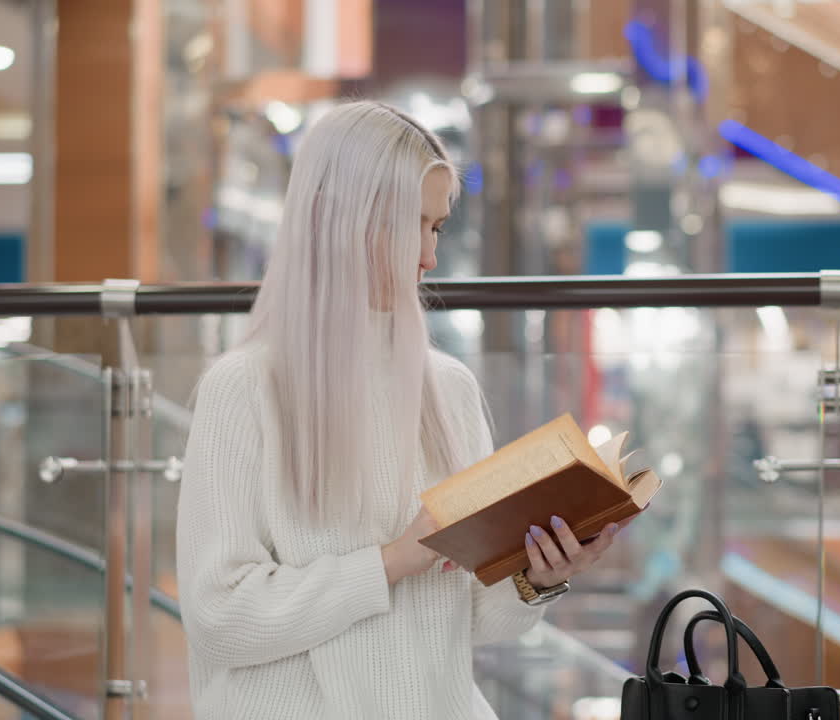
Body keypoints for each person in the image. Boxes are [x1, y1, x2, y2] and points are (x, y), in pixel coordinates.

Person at [176, 101, 623, 719]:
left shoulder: (448, 389)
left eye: (437, 227)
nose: (429, 257)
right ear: (344, 218)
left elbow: (466, 618)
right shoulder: (243, 389)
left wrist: (539, 577)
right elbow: (220, 618)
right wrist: (391, 562)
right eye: (411, 224)